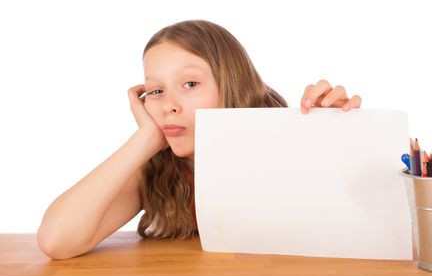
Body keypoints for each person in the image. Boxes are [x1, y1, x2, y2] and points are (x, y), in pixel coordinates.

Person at [37, 20, 362, 260]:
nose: (169, 105)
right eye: (156, 91)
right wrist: (145, 139)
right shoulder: (157, 166)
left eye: (190, 83)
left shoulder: (282, 142)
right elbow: (56, 240)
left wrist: (329, 136)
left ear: (230, 84)